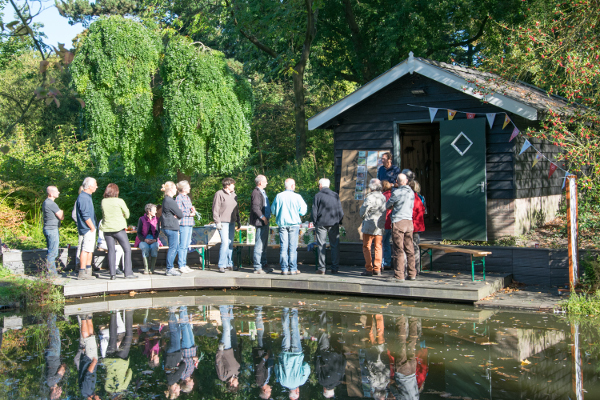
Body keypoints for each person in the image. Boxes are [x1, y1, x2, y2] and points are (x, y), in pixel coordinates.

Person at [271, 179, 307, 275]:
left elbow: (273, 210)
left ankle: (284, 269)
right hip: (294, 225)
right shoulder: (297, 197)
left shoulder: (279, 196)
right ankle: (293, 269)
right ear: (292, 186)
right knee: (292, 248)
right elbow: (303, 211)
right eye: (294, 185)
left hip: (282, 225)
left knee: (283, 247)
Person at [100, 183, 136, 280]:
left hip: (107, 229)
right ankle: (128, 273)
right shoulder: (119, 201)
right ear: (116, 191)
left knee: (111, 250)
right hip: (118, 228)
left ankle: (112, 275)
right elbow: (127, 214)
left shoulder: (103, 201)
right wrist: (122, 215)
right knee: (127, 249)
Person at [275, 308, 310, 399]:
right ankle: (285, 310)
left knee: (295, 331)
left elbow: (306, 366)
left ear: (297, 392)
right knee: (285, 332)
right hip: (285, 355)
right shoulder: (282, 382)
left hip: (297, 354)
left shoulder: (301, 381)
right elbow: (276, 367)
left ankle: (294, 310)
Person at [311, 178, 344, 275]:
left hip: (321, 223)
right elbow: (340, 211)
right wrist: (339, 221)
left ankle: (321, 268)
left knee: (321, 245)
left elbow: (314, 211)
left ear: (320, 185)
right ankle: (335, 268)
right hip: (334, 223)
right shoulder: (335, 195)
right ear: (328, 185)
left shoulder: (317, 196)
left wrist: (315, 222)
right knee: (335, 245)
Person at [386, 174, 415, 281]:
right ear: (406, 181)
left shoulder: (397, 192)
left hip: (398, 221)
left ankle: (399, 275)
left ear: (397, 182)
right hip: (409, 221)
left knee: (398, 249)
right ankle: (412, 273)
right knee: (410, 248)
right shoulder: (411, 192)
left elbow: (388, 205)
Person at [213, 178, 241, 273]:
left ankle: (229, 263)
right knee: (225, 243)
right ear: (227, 185)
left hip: (232, 222)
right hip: (223, 222)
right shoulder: (219, 194)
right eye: (233, 184)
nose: (234, 186)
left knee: (230, 243)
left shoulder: (234, 195)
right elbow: (215, 209)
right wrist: (217, 222)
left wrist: (238, 221)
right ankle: (221, 265)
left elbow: (236, 209)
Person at [315, 312, 346, 399]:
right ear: (325, 390)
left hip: (337, 352)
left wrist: (342, 355)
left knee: (336, 332)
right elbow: (318, 367)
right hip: (325, 353)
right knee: (323, 332)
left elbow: (343, 366)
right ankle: (322, 313)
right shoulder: (322, 382)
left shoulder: (338, 381)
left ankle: (336, 313)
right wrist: (318, 354)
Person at [360, 179, 387, 276]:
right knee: (378, 247)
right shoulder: (383, 197)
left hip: (369, 225)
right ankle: (377, 268)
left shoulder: (369, 197)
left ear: (371, 187)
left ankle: (369, 268)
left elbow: (363, 211)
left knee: (366, 247)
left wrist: (363, 216)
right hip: (379, 226)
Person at [104, 310, 133, 395]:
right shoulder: (107, 388)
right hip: (109, 361)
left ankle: (129, 313)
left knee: (129, 336)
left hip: (121, 361)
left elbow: (130, 372)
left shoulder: (123, 387)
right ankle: (113, 312)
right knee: (112, 337)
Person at [76, 177, 98, 280]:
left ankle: (88, 271)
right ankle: (82, 272)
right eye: (95, 185)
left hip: (90, 228)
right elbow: (85, 215)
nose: (96, 187)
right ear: (89, 186)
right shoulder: (83, 197)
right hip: (87, 228)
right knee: (85, 250)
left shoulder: (87, 196)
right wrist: (92, 227)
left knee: (90, 250)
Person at [392, 316, 420, 399]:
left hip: (412, 370)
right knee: (401, 343)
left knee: (412, 343)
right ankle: (400, 319)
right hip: (402, 372)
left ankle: (414, 320)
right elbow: (393, 390)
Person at [250, 175, 273, 274]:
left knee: (264, 244)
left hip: (265, 221)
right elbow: (255, 208)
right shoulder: (256, 192)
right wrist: (263, 218)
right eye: (265, 181)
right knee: (259, 244)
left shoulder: (262, 192)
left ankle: (264, 264)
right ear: (260, 182)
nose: (267, 183)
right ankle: (257, 267)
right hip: (260, 222)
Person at [216, 305, 241, 393]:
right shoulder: (237, 373)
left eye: (236, 384)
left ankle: (222, 306)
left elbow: (218, 362)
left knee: (226, 328)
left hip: (225, 348)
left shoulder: (223, 377)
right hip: (234, 346)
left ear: (231, 384)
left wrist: (220, 350)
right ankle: (230, 306)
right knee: (232, 326)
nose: (238, 383)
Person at [161, 181, 184, 276]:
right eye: (175, 188)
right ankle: (170, 268)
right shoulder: (170, 201)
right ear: (170, 190)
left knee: (175, 247)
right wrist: (176, 215)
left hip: (168, 226)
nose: (176, 190)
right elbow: (180, 214)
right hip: (171, 227)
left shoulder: (166, 200)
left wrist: (176, 215)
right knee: (173, 248)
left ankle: (170, 268)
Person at [42, 186, 64, 276]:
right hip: (52, 229)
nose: (58, 192)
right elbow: (61, 217)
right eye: (57, 191)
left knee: (50, 251)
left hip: (48, 228)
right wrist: (62, 211)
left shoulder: (45, 202)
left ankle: (50, 272)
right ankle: (52, 274)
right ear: (51, 193)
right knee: (53, 252)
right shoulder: (51, 203)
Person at [76, 314, 99, 400]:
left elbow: (88, 374)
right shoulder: (89, 392)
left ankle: (83, 318)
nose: (100, 398)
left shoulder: (86, 391)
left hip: (90, 360)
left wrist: (94, 363)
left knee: (87, 338)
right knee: (91, 336)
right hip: (89, 360)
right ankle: (88, 318)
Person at [135, 203, 162, 275]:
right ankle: (146, 268)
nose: (156, 212)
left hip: (153, 238)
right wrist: (144, 240)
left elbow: (158, 232)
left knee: (155, 247)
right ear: (149, 211)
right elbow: (139, 233)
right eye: (154, 210)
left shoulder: (157, 219)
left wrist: (155, 239)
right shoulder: (141, 219)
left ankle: (152, 268)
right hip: (143, 239)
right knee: (145, 247)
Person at [253, 306, 273, 399]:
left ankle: (258, 311)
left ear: (265, 390)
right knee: (266, 334)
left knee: (261, 333)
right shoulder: (266, 381)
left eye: (269, 391)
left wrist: (266, 356)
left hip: (262, 352)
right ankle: (265, 311)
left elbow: (259, 367)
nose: (271, 389)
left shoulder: (259, 381)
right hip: (267, 354)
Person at [176, 181, 196, 273]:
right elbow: (179, 212)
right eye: (188, 187)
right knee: (182, 245)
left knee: (187, 244)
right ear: (183, 189)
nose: (190, 188)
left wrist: (193, 210)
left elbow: (188, 209)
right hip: (183, 223)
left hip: (190, 223)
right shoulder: (178, 198)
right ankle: (181, 265)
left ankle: (184, 263)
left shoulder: (187, 197)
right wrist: (190, 213)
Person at [45, 313, 66, 400]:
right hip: (50, 356)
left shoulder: (53, 382)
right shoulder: (49, 382)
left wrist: (65, 365)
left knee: (54, 333)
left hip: (53, 355)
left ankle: (51, 313)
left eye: (58, 395)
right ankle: (50, 315)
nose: (60, 393)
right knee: (52, 334)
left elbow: (62, 369)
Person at [409, 180, 425, 274]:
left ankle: (411, 268)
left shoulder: (411, 198)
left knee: (409, 247)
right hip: (418, 225)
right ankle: (416, 268)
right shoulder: (420, 198)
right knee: (415, 247)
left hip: (412, 225)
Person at [381, 180, 394, 271]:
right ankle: (387, 263)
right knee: (387, 244)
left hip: (384, 222)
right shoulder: (392, 195)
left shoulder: (383, 196)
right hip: (390, 222)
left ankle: (380, 263)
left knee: (380, 244)